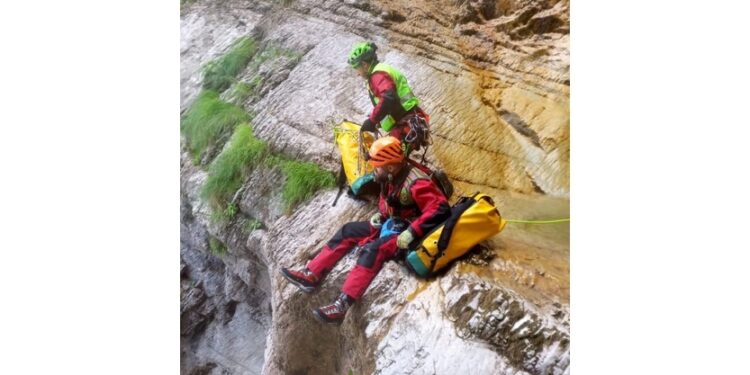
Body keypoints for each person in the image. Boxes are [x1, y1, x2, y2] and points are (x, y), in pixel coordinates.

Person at [280, 136, 451, 324]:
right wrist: (382, 214)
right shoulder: (390, 175)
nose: (373, 169)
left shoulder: (417, 181)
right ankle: (311, 275)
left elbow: (440, 208)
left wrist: (412, 232)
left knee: (373, 250)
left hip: (409, 232)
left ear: (391, 167)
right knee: (349, 230)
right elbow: (389, 198)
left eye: (377, 166)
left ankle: (342, 305)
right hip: (393, 223)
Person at [347, 42, 431, 157]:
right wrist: (377, 121)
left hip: (406, 126)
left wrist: (372, 120)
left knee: (384, 163)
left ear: (364, 64)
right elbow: (391, 103)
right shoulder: (383, 70)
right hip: (410, 123)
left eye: (357, 68)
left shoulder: (378, 75)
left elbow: (388, 98)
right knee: (386, 159)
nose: (357, 73)